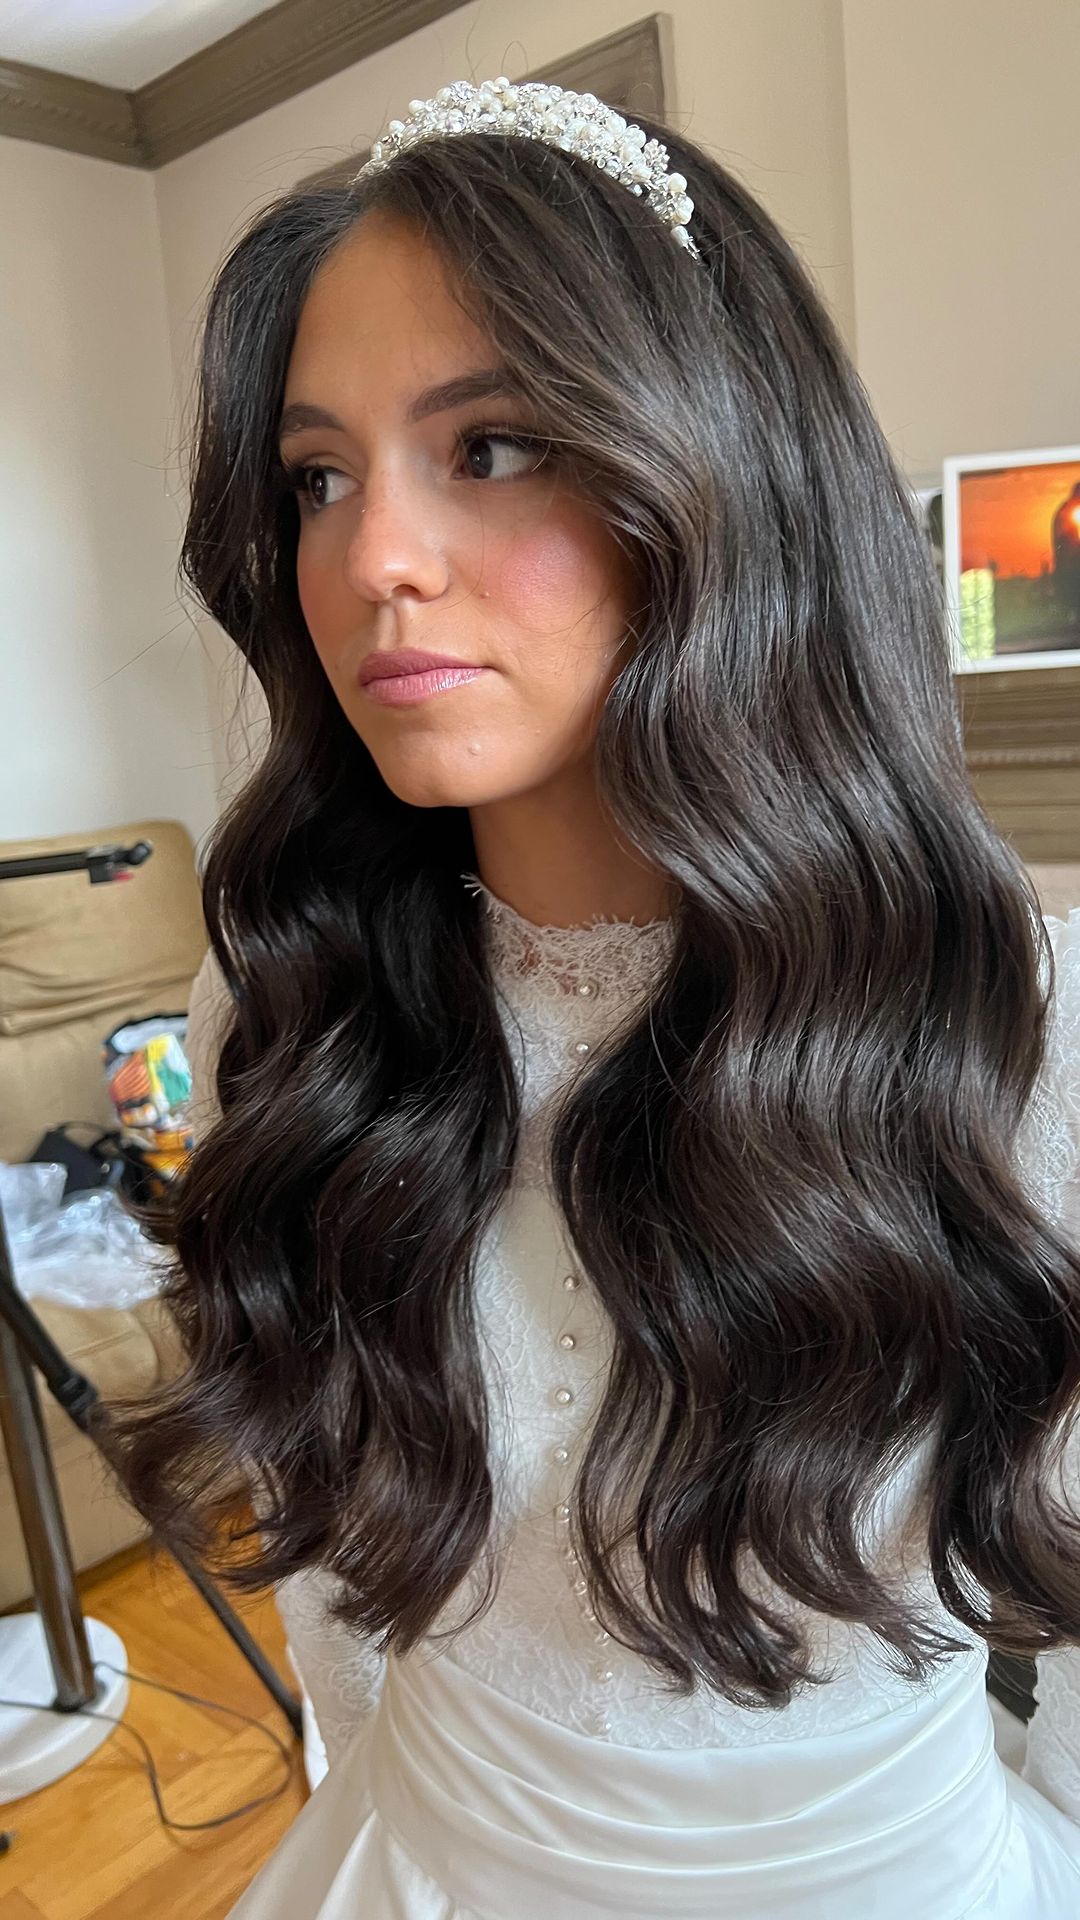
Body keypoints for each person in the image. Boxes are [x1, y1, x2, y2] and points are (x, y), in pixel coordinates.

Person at [114, 77, 1080, 1918]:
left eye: (489, 447)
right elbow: (346, 1595)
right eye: (318, 478)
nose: (372, 559)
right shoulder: (291, 1001)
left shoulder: (1023, 1029)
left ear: (715, 474)